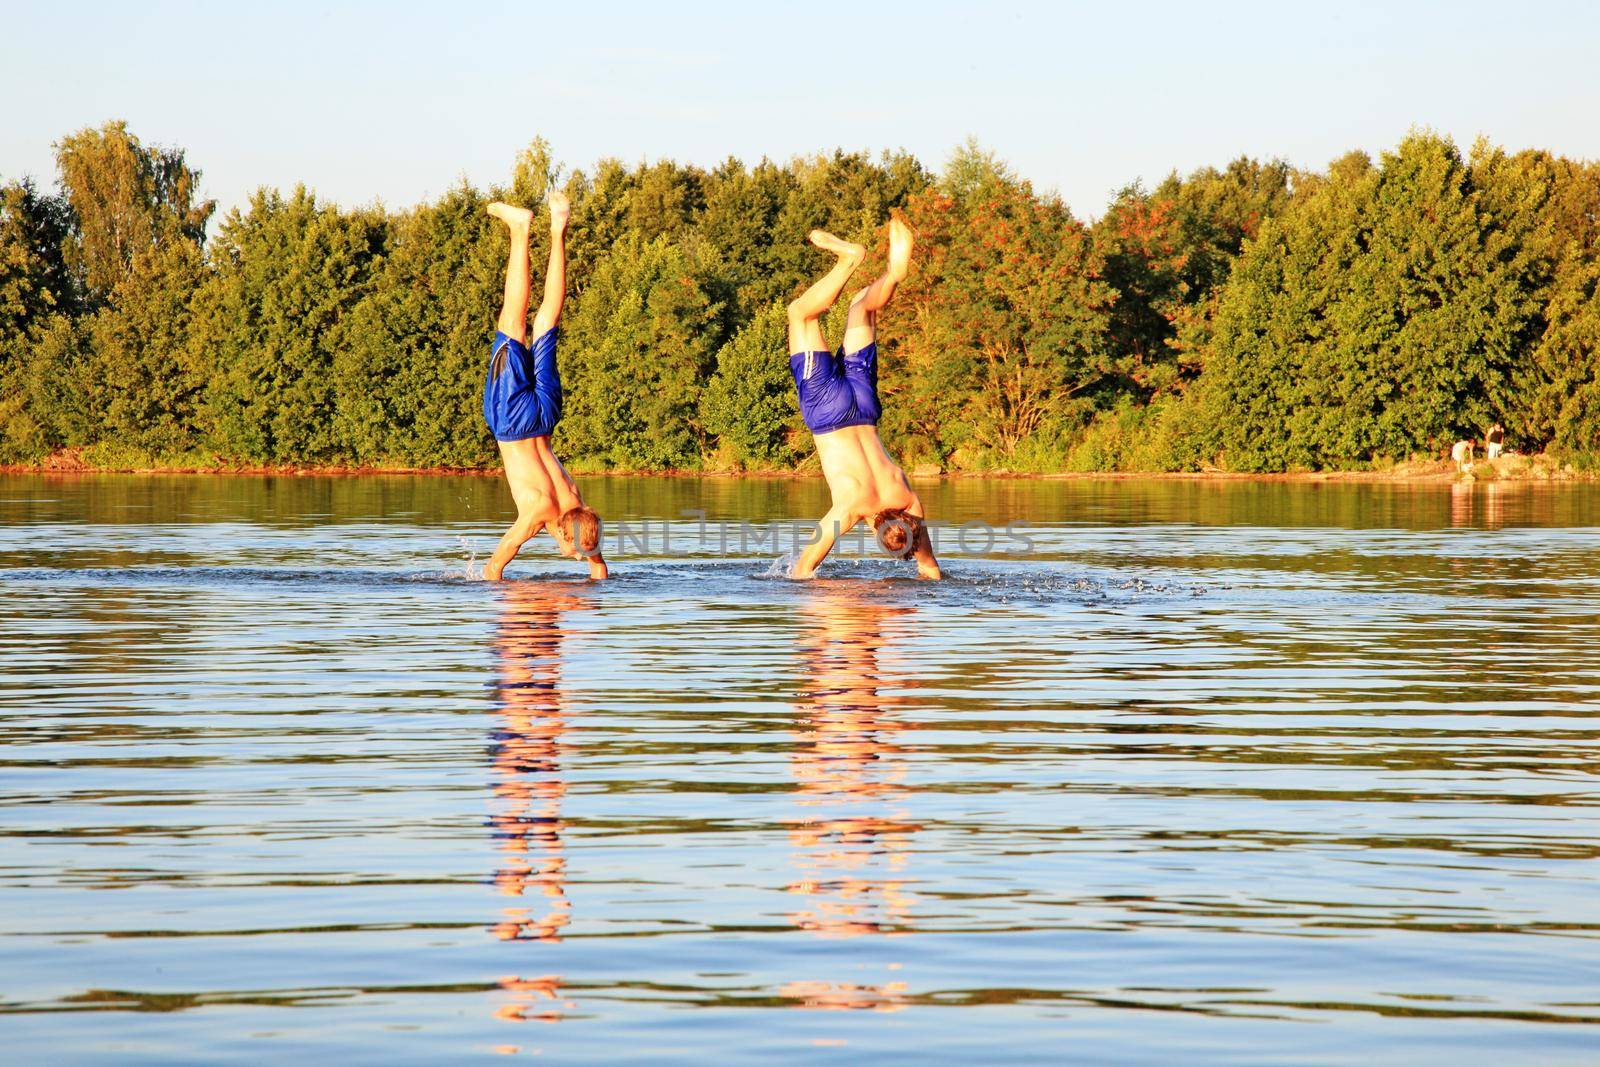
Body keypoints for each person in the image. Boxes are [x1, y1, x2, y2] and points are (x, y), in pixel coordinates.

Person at [786, 218, 941, 580]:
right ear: (876, 534)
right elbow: (803, 569)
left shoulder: (907, 499)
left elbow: (931, 568)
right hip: (828, 412)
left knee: (862, 307)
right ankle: (848, 260)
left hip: (865, 407)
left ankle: (893, 276)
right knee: (800, 314)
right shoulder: (852, 507)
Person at [481, 194, 608, 580]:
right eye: (574, 550)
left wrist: (593, 567)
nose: (573, 556)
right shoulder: (537, 515)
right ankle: (520, 231)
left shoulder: (576, 504)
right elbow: (494, 568)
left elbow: (597, 564)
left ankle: (558, 228)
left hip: (546, 418)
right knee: (514, 324)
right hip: (513, 421)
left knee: (546, 323)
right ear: (570, 533)